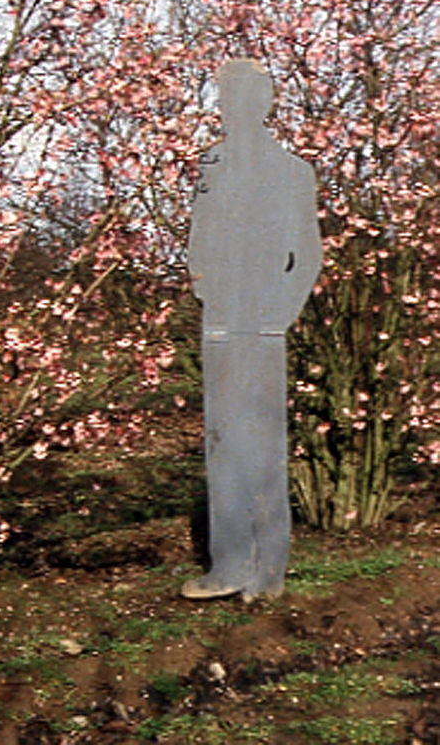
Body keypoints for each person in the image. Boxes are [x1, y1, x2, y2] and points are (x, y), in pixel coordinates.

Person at [181, 58, 322, 600]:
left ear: (266, 103)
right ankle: (229, 564)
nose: (234, 107)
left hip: (263, 324)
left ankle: (268, 573)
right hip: (220, 320)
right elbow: (198, 238)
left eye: (246, 96)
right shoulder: (211, 165)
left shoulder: (291, 171)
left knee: (262, 443)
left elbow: (306, 255)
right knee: (222, 443)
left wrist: (278, 316)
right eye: (226, 96)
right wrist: (204, 290)